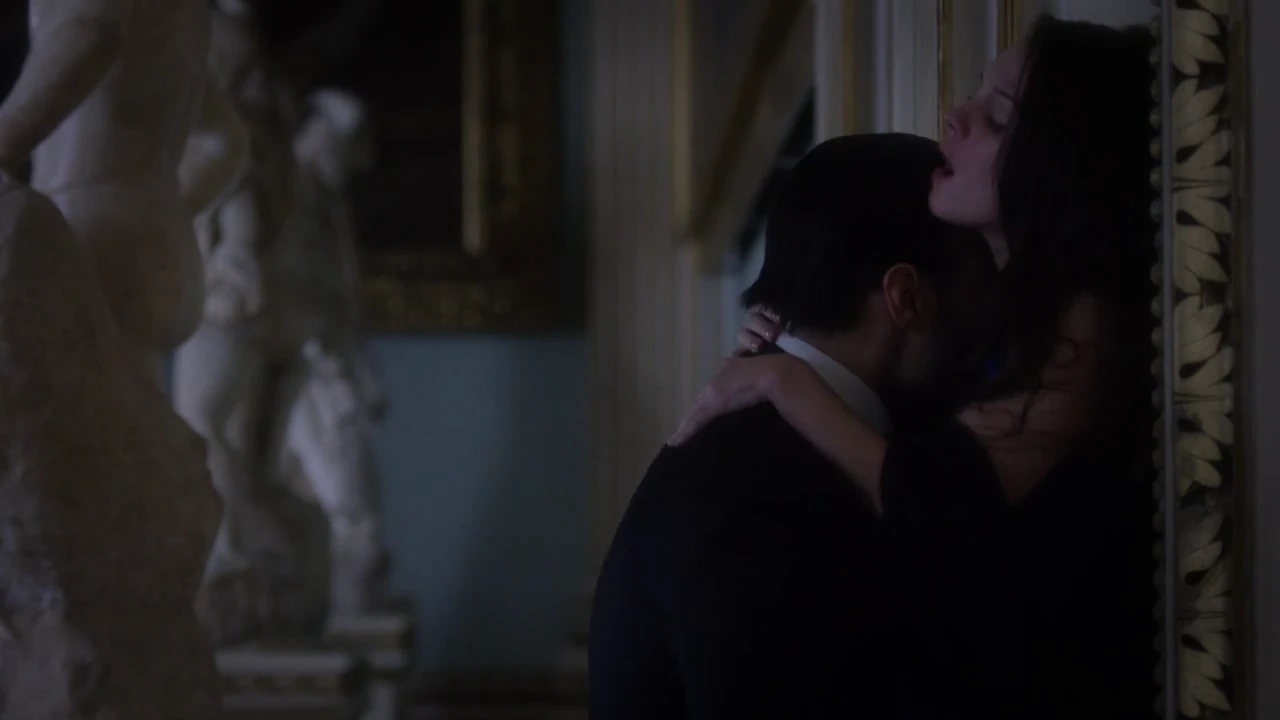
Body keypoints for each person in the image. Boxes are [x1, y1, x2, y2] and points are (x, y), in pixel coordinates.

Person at [670, 15, 1158, 718]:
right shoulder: (1023, 317)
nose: (956, 117)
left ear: (1062, 163)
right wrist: (795, 341)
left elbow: (944, 518)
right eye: (976, 94)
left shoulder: (1087, 323)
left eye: (997, 116)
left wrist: (788, 381)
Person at [589, 132, 997, 719]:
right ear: (907, 297)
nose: (995, 313)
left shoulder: (773, 444)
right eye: (985, 281)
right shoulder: (763, 499)